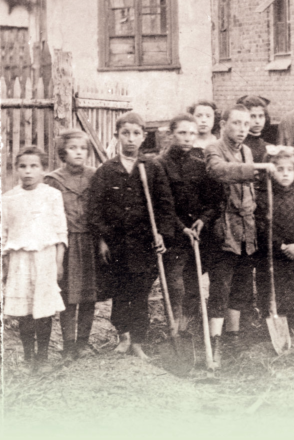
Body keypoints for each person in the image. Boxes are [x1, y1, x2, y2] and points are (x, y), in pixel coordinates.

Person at [87, 112, 177, 361]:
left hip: (144, 245)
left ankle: (138, 341)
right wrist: (102, 239)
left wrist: (162, 234)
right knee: (119, 292)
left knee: (140, 293)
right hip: (115, 246)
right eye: (125, 133)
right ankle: (123, 335)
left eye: (136, 134)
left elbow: (166, 207)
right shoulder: (106, 171)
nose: (130, 139)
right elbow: (95, 211)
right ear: (117, 136)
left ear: (143, 137)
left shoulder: (152, 168)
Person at [205, 104, 276, 366]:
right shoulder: (213, 149)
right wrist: (253, 169)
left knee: (242, 286)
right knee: (221, 286)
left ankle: (233, 336)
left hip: (247, 228)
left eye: (246, 124)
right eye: (236, 123)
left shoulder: (247, 150)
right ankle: (215, 340)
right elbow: (219, 171)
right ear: (223, 124)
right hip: (224, 228)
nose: (242, 129)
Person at [3, 146, 69, 374]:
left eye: (34, 166)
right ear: (16, 169)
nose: (28, 172)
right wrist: (5, 262)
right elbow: (3, 233)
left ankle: (42, 358)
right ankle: (28, 358)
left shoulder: (52, 195)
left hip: (45, 259)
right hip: (19, 260)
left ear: (44, 170)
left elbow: (61, 232)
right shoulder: (9, 198)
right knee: (25, 311)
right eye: (23, 166)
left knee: (43, 309)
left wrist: (59, 263)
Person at [157, 114, 223, 336]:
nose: (187, 138)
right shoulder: (160, 165)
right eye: (182, 133)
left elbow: (214, 201)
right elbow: (161, 204)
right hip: (173, 234)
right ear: (171, 134)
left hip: (197, 234)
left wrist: (203, 220)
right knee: (175, 283)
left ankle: (189, 328)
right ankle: (173, 328)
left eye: (192, 134)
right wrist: (180, 227)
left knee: (193, 282)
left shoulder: (200, 165)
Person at [44, 130, 98, 361]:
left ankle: (83, 343)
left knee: (89, 294)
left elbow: (100, 211)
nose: (78, 152)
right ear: (62, 152)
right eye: (73, 148)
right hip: (65, 244)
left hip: (90, 242)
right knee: (68, 294)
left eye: (83, 148)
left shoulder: (95, 176)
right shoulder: (53, 180)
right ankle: (68, 345)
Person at [256, 147, 294, 323]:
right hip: (274, 253)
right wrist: (278, 245)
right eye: (280, 170)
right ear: (272, 173)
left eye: (290, 170)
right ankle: (273, 317)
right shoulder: (265, 199)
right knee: (274, 285)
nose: (285, 174)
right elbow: (261, 226)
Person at [237, 95, 272, 165]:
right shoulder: (238, 146)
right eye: (252, 116)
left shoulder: (268, 147)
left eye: (261, 116)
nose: (257, 121)